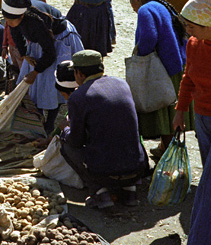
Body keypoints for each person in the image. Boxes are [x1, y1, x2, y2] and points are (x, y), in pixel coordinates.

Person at [60, 50, 148, 208]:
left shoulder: (78, 97)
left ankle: (100, 193)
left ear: (78, 73)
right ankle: (130, 191)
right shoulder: (122, 84)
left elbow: (76, 141)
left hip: (106, 173)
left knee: (66, 145)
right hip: (138, 167)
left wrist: (66, 129)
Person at [171, 0, 211, 244]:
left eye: (191, 25)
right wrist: (180, 110)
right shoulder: (194, 44)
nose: (188, 30)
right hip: (203, 119)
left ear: (209, 24)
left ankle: (200, 239)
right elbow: (188, 79)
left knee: (210, 185)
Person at [127, 0, 193, 157]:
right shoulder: (164, 6)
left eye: (131, 2)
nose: (133, 7)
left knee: (163, 112)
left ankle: (170, 153)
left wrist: (140, 58)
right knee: (169, 110)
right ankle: (165, 148)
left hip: (161, 68)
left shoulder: (145, 10)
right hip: (176, 65)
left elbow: (148, 37)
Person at [2, 0, 83, 134]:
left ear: (21, 16)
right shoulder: (16, 19)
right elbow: (15, 31)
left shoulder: (35, 23)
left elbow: (50, 53)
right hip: (42, 43)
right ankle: (37, 119)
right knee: (35, 87)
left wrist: (35, 72)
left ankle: (49, 123)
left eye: (10, 20)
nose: (7, 23)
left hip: (59, 41)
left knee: (52, 84)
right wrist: (25, 54)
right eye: (6, 20)